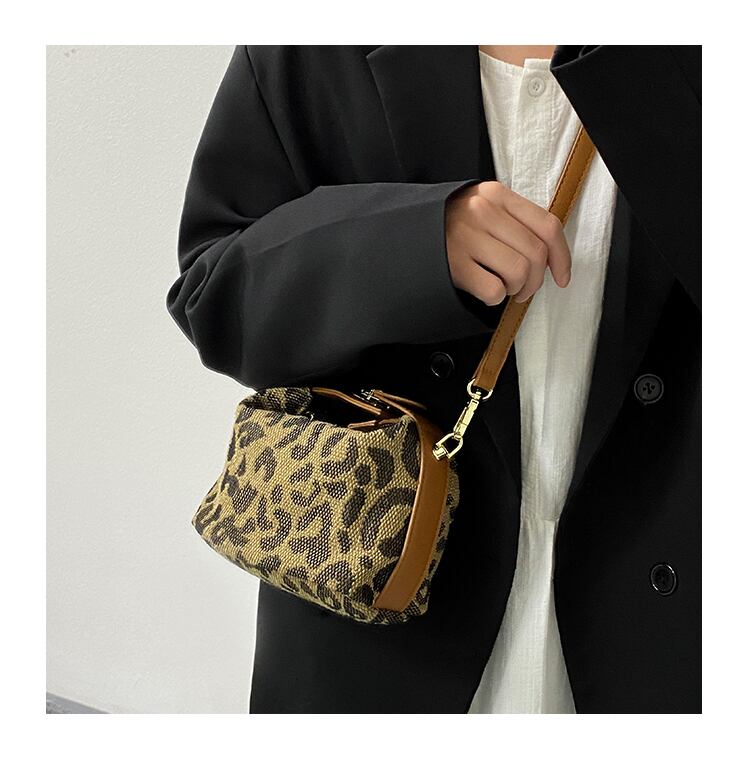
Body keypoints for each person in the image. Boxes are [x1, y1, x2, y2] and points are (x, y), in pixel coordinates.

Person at [167, 45, 701, 713]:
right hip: (376, 618)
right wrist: (413, 244)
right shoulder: (315, 44)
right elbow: (214, 297)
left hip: (672, 641)